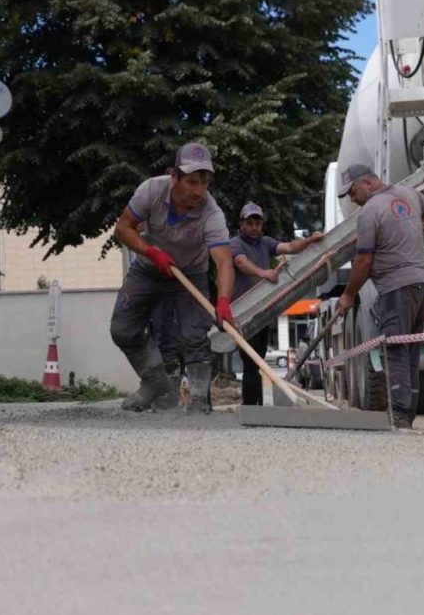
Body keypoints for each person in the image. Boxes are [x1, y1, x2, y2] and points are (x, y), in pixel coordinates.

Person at [110, 142, 235, 414]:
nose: (198, 191)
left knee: (194, 335)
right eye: (191, 181)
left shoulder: (212, 214)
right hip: (149, 267)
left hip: (191, 271)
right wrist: (152, 253)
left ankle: (200, 401)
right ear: (174, 175)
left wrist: (223, 300)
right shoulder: (151, 191)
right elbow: (123, 228)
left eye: (204, 182)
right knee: (122, 328)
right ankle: (155, 382)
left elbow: (224, 261)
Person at [335, 164, 424, 429]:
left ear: (368, 184)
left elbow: (363, 261)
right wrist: (410, 223)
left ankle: (399, 418)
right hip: (423, 284)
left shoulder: (370, 212)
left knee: (396, 352)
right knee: (411, 353)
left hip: (397, 288)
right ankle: (408, 415)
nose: (352, 199)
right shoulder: (408, 195)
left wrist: (348, 294)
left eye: (352, 192)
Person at [229, 202, 324, 406]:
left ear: (262, 224)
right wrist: (263, 272)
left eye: (257, 223)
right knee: (250, 361)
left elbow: (289, 247)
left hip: (263, 312)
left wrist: (309, 241)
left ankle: (258, 406)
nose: (254, 227)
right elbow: (240, 262)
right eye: (250, 223)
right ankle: (251, 406)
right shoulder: (236, 243)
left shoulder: (266, 243)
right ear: (242, 224)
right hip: (245, 312)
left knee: (259, 360)